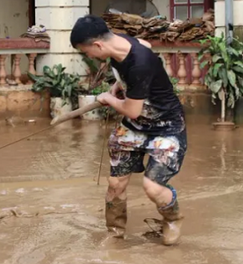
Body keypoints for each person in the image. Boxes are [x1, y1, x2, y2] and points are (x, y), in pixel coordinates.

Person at [70, 14, 187, 246]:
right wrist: (120, 84)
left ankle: (173, 218)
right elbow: (145, 43)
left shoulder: (140, 64)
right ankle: (115, 233)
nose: (88, 57)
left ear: (98, 45)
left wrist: (107, 98)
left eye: (86, 52)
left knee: (152, 187)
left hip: (166, 126)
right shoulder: (119, 43)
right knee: (115, 184)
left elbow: (131, 110)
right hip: (135, 126)